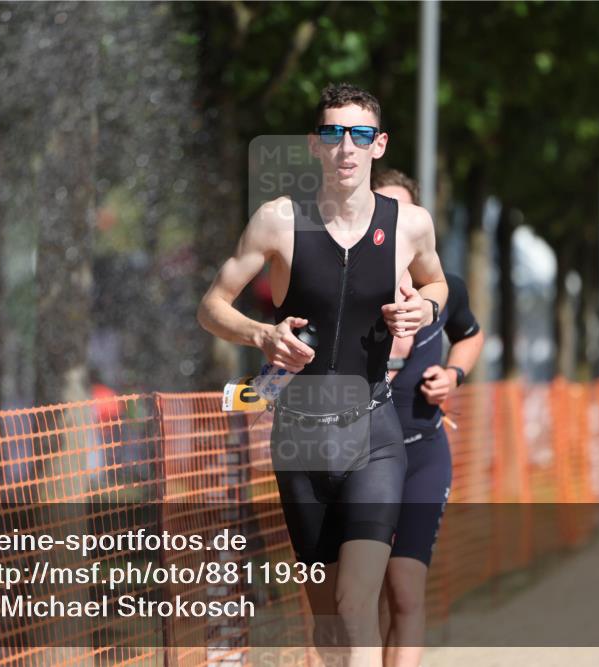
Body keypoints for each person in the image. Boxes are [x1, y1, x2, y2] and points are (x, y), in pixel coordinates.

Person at [197, 83, 448, 665]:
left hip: (373, 434)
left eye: (360, 135)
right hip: (301, 439)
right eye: (334, 134)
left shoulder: (409, 224)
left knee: (354, 602)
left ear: (378, 144)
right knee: (328, 623)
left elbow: (436, 281)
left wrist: (426, 307)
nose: (346, 148)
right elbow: (211, 307)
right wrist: (262, 334)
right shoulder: (279, 222)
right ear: (315, 145)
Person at [372, 169, 485, 667]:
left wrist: (454, 374)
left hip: (422, 453)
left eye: (403, 214)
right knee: (359, 592)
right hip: (363, 458)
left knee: (406, 588)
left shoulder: (442, 288)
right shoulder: (350, 289)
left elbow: (471, 333)